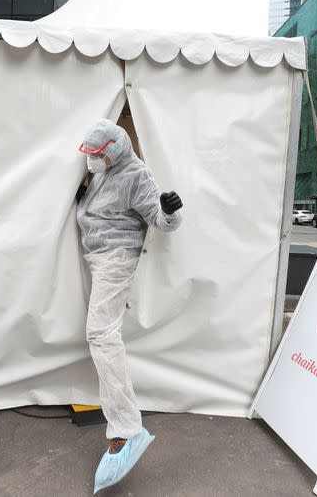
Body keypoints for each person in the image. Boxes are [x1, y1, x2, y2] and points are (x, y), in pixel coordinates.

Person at [76, 119, 183, 493]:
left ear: (113, 150)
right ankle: (124, 425)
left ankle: (127, 428)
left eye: (96, 155)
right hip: (98, 256)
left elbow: (161, 220)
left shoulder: (135, 174)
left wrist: (170, 211)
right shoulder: (104, 173)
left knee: (101, 333)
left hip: (116, 258)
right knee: (101, 334)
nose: (91, 161)